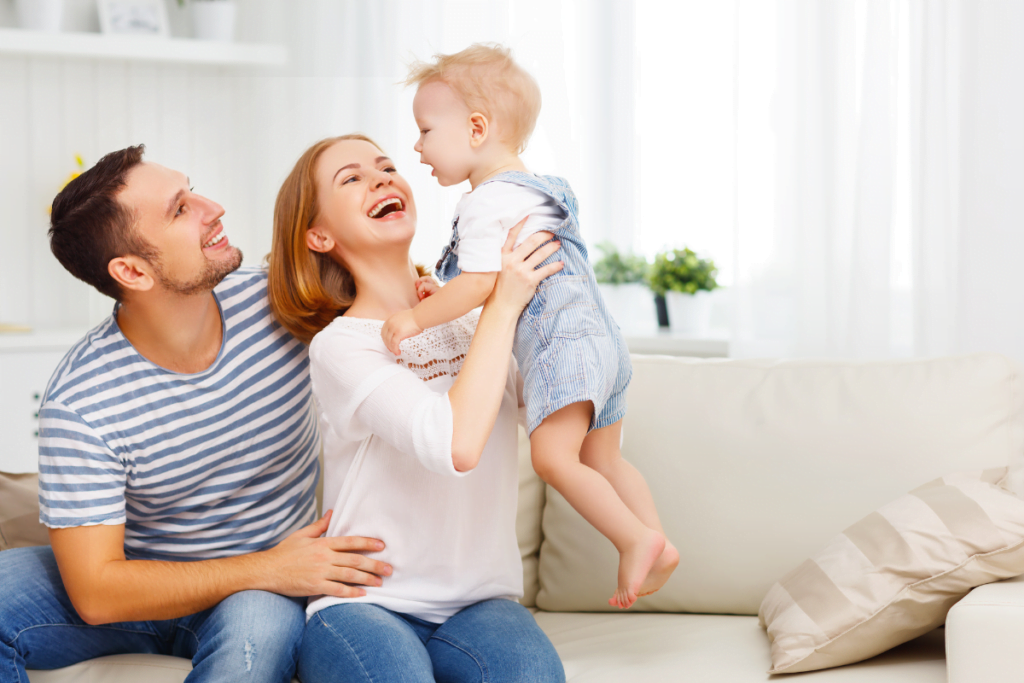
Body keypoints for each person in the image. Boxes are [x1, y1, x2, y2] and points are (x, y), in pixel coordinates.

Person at [0, 145, 394, 683]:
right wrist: (273, 565)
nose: (214, 207)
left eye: (192, 190)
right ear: (132, 271)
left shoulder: (284, 303)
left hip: (256, 594)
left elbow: (394, 284)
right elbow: (95, 591)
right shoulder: (80, 402)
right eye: (181, 209)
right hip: (153, 583)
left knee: (256, 638)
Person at [380, 44, 679, 610]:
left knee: (552, 459)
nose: (416, 147)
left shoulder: (484, 202)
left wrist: (415, 317)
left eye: (424, 131)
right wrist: (445, 293)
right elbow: (506, 282)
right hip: (603, 343)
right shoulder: (540, 187)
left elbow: (482, 287)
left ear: (475, 128)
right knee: (605, 459)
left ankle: (636, 538)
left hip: (562, 349)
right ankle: (658, 539)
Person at [267, 133, 566, 683]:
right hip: (365, 603)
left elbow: (557, 407)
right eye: (352, 178)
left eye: (385, 167)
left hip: (480, 603)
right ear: (319, 234)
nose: (381, 178)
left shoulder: (474, 317)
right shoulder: (341, 345)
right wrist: (501, 301)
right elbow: (453, 444)